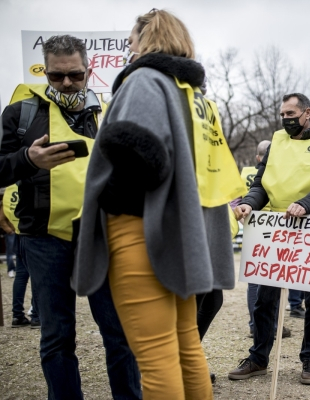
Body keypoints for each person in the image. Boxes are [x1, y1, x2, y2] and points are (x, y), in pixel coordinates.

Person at [72, 9, 245, 398]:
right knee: (185, 347)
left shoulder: (144, 81)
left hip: (142, 230)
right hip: (182, 234)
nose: (127, 50)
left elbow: (141, 153)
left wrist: (106, 202)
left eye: (131, 42)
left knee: (154, 357)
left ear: (147, 38)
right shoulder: (193, 94)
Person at [0, 34, 141, 399]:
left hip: (102, 236)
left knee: (119, 334)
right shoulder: (21, 113)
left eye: (75, 75)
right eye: (56, 76)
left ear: (89, 71)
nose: (66, 83)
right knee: (56, 337)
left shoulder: (111, 114)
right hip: (45, 240)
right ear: (44, 71)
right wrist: (28, 160)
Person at [228, 93, 310, 385]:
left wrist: (306, 204)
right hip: (275, 230)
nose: (285, 119)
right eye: (282, 114)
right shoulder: (276, 141)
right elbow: (261, 184)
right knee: (264, 300)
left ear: (307, 113)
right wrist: (250, 204)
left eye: (291, 113)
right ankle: (258, 358)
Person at [242, 140, 291, 339]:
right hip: (275, 225)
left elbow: (237, 198)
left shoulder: (244, 173)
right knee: (275, 276)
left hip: (252, 224)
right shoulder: (279, 170)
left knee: (254, 278)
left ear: (256, 157)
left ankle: (256, 324)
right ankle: (273, 325)